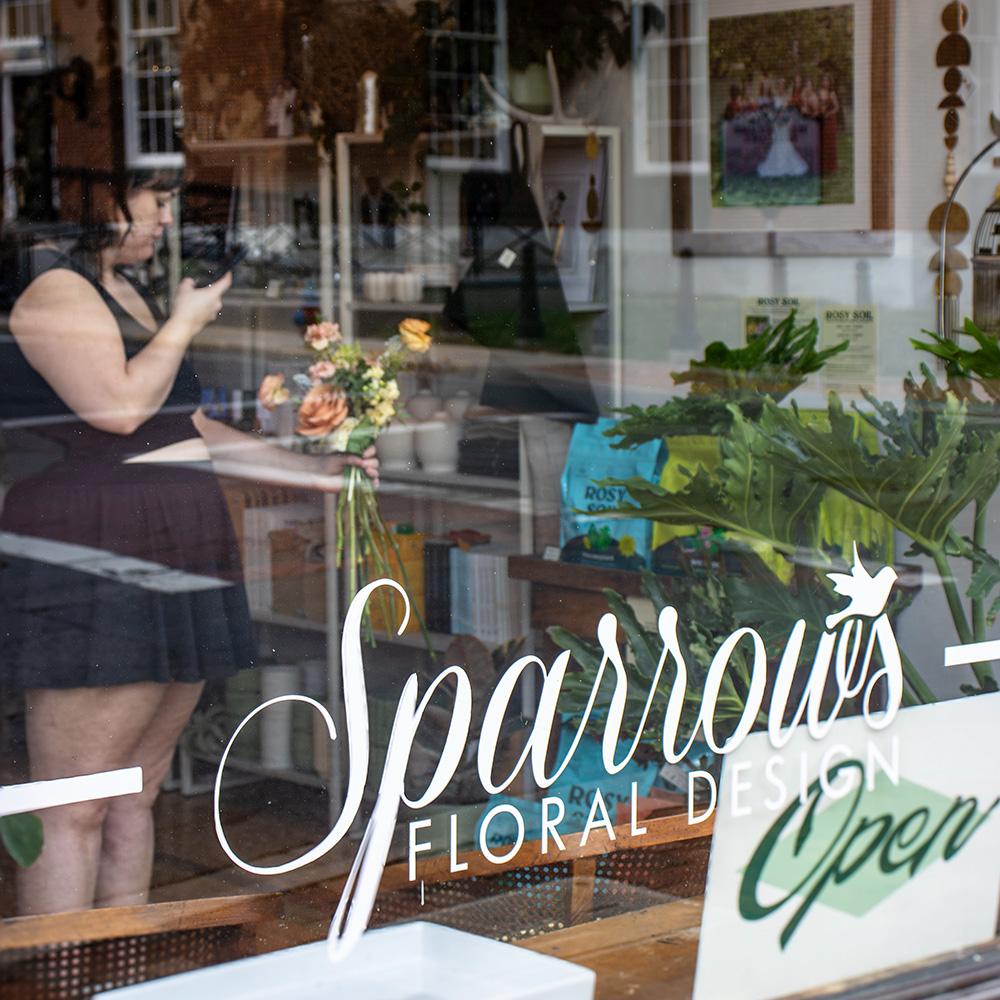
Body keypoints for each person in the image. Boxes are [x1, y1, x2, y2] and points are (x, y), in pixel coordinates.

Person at [0, 168, 377, 915]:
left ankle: (123, 973)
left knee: (135, 793)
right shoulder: (52, 284)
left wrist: (314, 472)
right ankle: (65, 982)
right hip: (100, 543)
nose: (169, 219)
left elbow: (185, 425)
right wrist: (184, 321)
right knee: (72, 805)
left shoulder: (116, 282)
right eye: (156, 201)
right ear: (98, 200)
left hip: (169, 534)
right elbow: (118, 410)